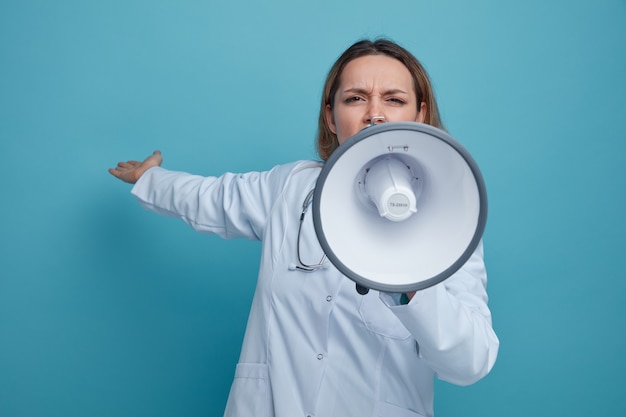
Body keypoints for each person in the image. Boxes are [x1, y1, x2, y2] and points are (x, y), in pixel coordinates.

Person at [109, 38, 499, 417]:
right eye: (355, 98)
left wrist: (415, 282)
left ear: (420, 115)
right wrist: (151, 178)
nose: (374, 114)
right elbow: (211, 197)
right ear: (331, 117)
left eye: (394, 100)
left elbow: (470, 362)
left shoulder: (452, 223)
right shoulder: (292, 188)